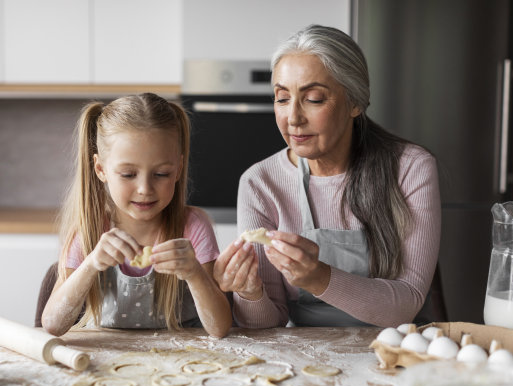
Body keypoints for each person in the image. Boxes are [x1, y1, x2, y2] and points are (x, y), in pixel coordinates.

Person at [213, 25, 441, 328]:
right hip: (306, 363)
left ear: (355, 102)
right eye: (282, 98)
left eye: (314, 98)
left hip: (395, 351)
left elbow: (406, 304)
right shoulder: (260, 183)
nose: (293, 117)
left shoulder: (410, 168)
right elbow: (266, 325)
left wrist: (319, 277)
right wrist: (249, 292)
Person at [42, 93, 232, 338]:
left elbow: (219, 328)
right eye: (129, 174)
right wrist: (91, 264)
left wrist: (194, 273)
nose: (145, 189)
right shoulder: (90, 230)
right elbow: (53, 324)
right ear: (101, 170)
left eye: (161, 174)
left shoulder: (193, 227)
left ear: (178, 169)